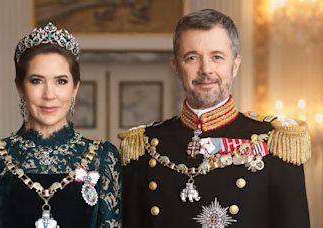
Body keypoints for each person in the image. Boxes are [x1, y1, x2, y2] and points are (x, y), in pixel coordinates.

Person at [119, 9, 310, 228]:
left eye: (217, 57)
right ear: (176, 67)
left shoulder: (275, 141)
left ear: (235, 65)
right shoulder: (143, 145)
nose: (206, 69)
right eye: (192, 58)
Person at [0, 22, 122, 228]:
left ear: (75, 88)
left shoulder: (103, 157)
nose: (49, 95)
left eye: (61, 81)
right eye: (37, 81)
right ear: (20, 87)